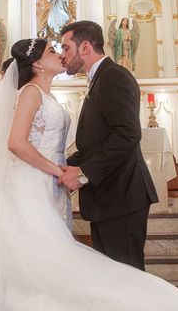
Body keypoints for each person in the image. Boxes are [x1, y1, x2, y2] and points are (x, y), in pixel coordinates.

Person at [0, 38, 178, 310]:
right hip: (30, 185)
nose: (59, 54)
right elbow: (16, 143)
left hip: (49, 184)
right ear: (37, 64)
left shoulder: (48, 95)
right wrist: (58, 171)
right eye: (51, 50)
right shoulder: (30, 92)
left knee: (47, 256)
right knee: (40, 258)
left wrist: (67, 170)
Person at [60, 20, 158, 270]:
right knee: (112, 281)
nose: (63, 56)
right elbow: (97, 143)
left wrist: (83, 173)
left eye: (65, 48)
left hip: (122, 198)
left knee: (127, 279)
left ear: (84, 47)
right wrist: (59, 166)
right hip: (109, 199)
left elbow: (127, 135)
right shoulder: (98, 79)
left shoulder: (114, 76)